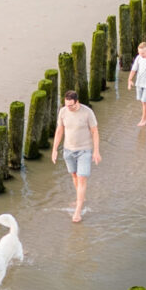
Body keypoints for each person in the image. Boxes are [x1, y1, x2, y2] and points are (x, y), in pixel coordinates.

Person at [50, 90, 100, 223]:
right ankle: (81, 198)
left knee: (81, 177)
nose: (69, 108)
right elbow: (60, 130)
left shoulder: (87, 112)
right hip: (68, 150)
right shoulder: (63, 111)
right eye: (67, 105)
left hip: (84, 150)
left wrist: (96, 151)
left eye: (71, 105)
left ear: (77, 102)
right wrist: (54, 149)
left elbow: (95, 131)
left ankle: (78, 210)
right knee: (74, 175)